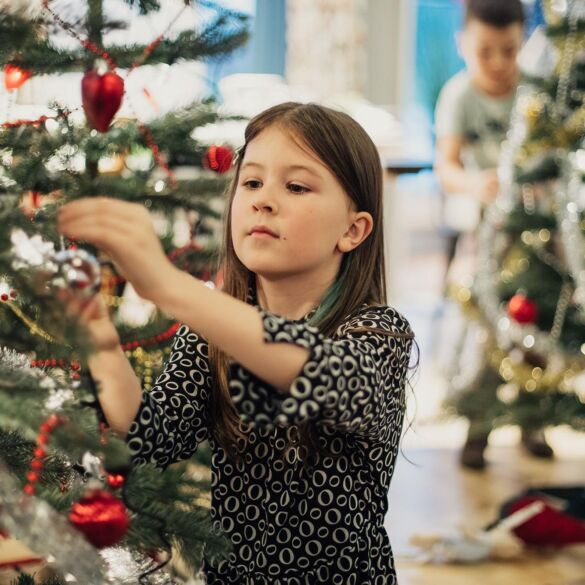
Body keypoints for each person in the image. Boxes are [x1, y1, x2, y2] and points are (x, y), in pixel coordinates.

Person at [58, 102, 415, 584]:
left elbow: (316, 371)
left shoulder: (379, 333)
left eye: (295, 186)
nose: (263, 200)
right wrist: (97, 334)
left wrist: (167, 285)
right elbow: (148, 435)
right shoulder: (213, 331)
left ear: (353, 230)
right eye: (251, 182)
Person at [435, 0, 553, 469]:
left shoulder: (534, 93)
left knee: (537, 320)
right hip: (488, 232)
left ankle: (532, 420)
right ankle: (477, 426)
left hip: (539, 230)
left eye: (510, 50)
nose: (500, 63)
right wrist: (473, 184)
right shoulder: (459, 95)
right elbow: (446, 165)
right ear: (464, 44)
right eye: (487, 52)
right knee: (486, 322)